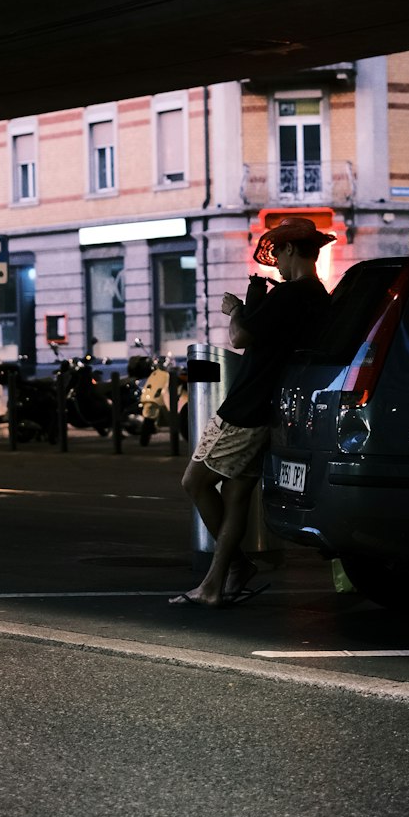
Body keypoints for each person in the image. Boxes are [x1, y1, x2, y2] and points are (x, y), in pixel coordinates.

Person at [170, 216, 334, 607]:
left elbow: (241, 337)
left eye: (277, 251)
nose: (274, 260)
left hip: (246, 406)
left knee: (194, 482)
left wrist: (235, 310)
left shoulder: (290, 295)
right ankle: (218, 581)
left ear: (291, 250)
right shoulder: (319, 296)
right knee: (238, 494)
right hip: (272, 407)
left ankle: (233, 569)